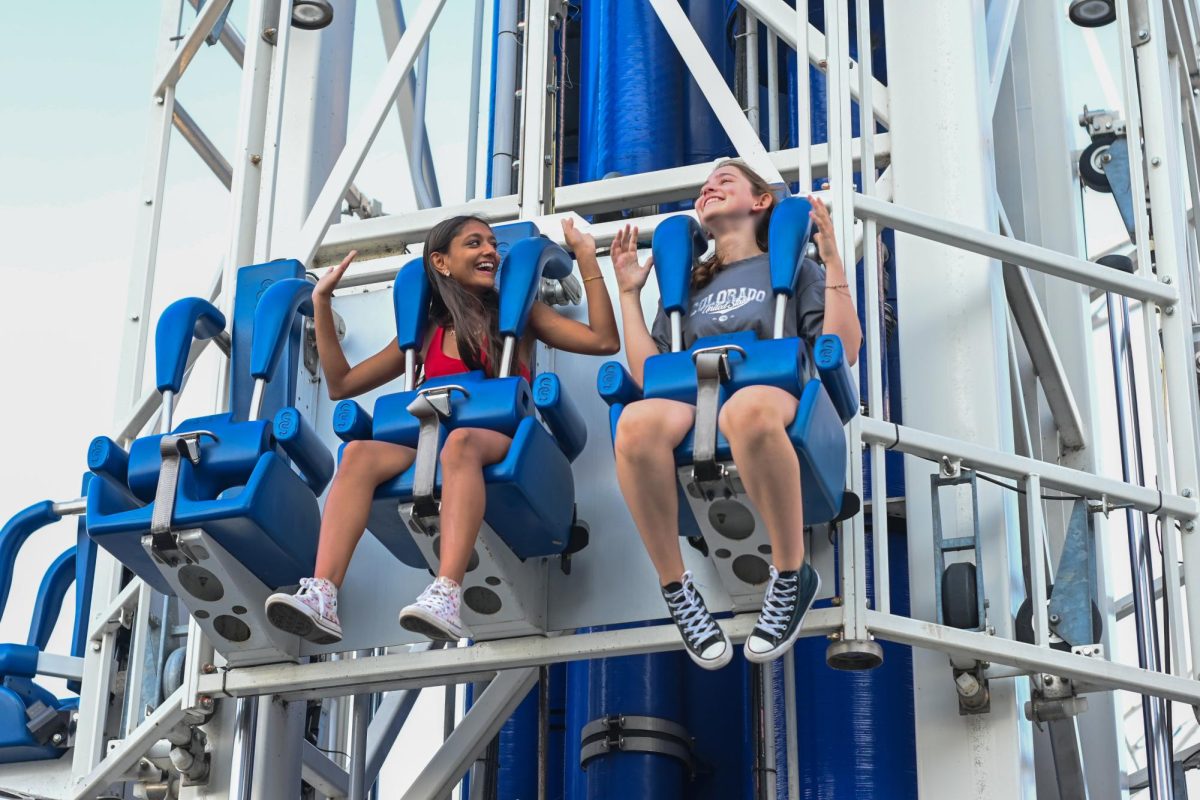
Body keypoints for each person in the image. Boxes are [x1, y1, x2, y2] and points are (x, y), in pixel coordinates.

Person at [266, 215, 619, 643]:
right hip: (428, 443)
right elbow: (342, 383)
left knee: (462, 444)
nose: (489, 250)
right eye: (474, 243)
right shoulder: (425, 332)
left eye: (492, 243)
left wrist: (586, 257)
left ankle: (447, 592)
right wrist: (322, 303)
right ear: (442, 262)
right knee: (358, 454)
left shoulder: (520, 315)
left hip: (495, 442)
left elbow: (603, 340)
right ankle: (322, 594)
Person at [610, 160, 862, 670]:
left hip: (771, 403)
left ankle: (791, 574)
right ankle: (677, 588)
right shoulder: (687, 289)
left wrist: (833, 263)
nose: (710, 188)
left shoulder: (792, 268)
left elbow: (844, 348)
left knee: (744, 410)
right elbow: (650, 372)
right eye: (704, 187)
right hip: (697, 408)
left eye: (725, 181)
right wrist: (630, 295)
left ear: (761, 201)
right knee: (633, 423)